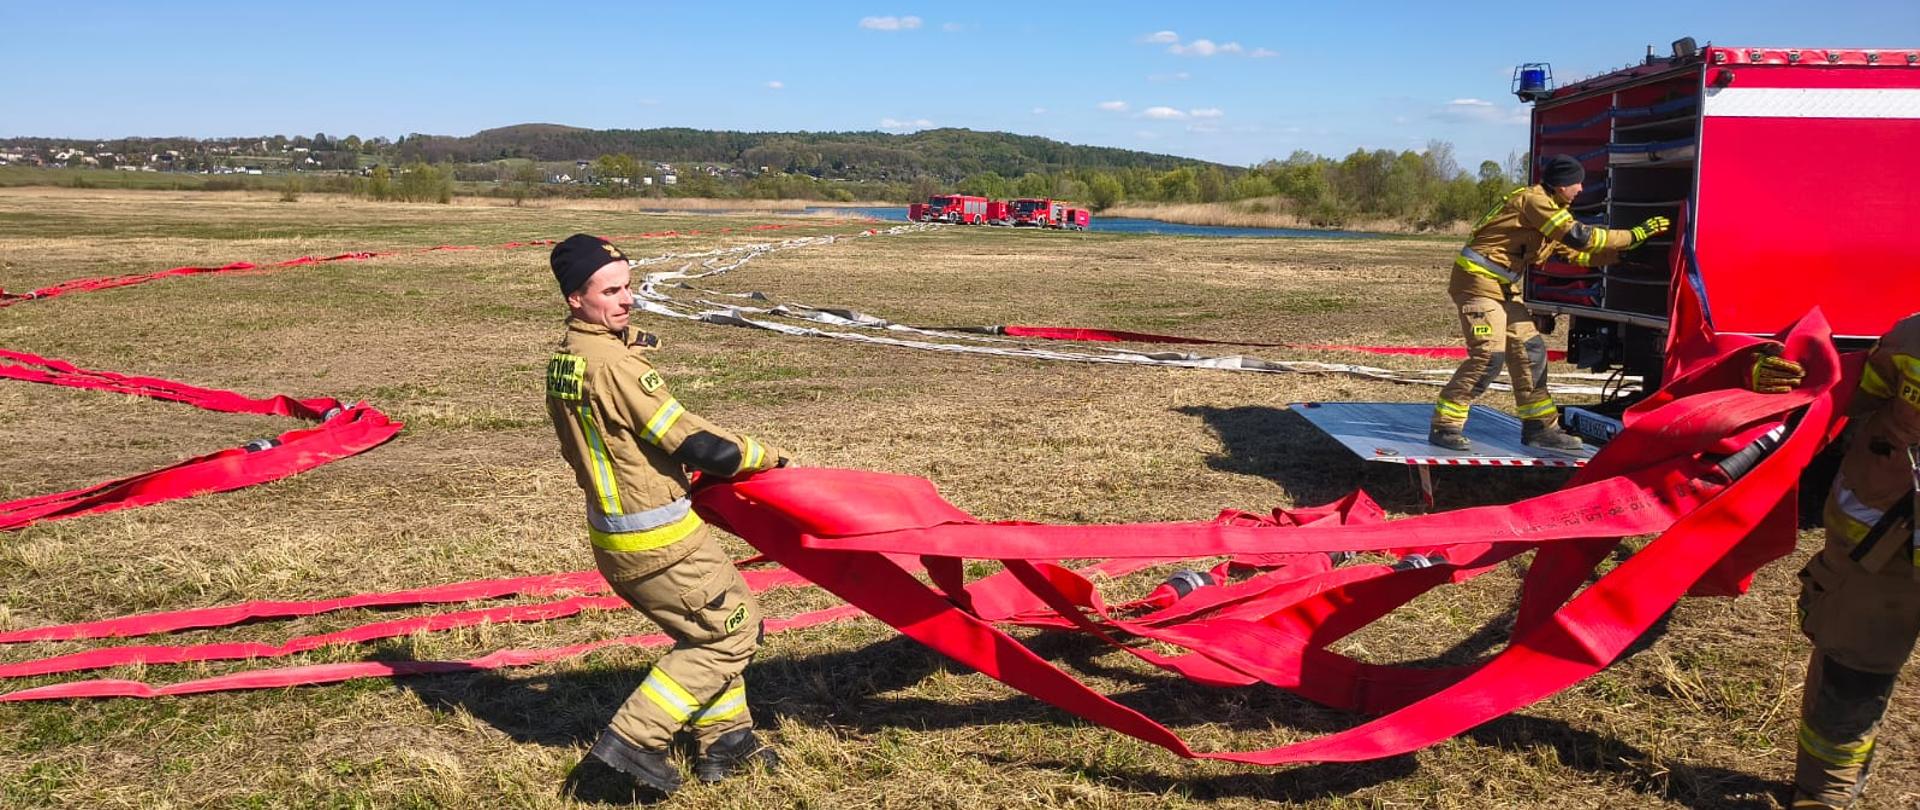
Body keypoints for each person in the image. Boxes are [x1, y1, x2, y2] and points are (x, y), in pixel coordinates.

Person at [543, 233, 786, 797]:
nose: (628, 299)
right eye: (610, 290)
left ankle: (727, 740)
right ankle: (628, 748)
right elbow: (698, 445)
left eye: (629, 285)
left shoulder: (568, 360)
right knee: (731, 633)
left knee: (705, 624)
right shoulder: (615, 367)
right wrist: (766, 457)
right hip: (659, 537)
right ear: (575, 299)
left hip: (616, 534)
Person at [1429, 154, 1671, 452]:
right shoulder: (1535, 201)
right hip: (1476, 283)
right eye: (1576, 183)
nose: (1581, 189)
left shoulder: (1552, 212)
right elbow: (1581, 238)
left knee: (1530, 351)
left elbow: (1576, 256)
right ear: (1560, 185)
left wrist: (1623, 257)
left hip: (1501, 287)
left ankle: (1540, 428)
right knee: (1488, 356)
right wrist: (1635, 234)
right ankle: (1445, 426)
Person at [1787, 313, 1920, 808]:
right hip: (1881, 550)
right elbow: (1840, 392)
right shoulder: (1912, 339)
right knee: (1851, 672)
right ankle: (1823, 793)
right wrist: (1780, 375)